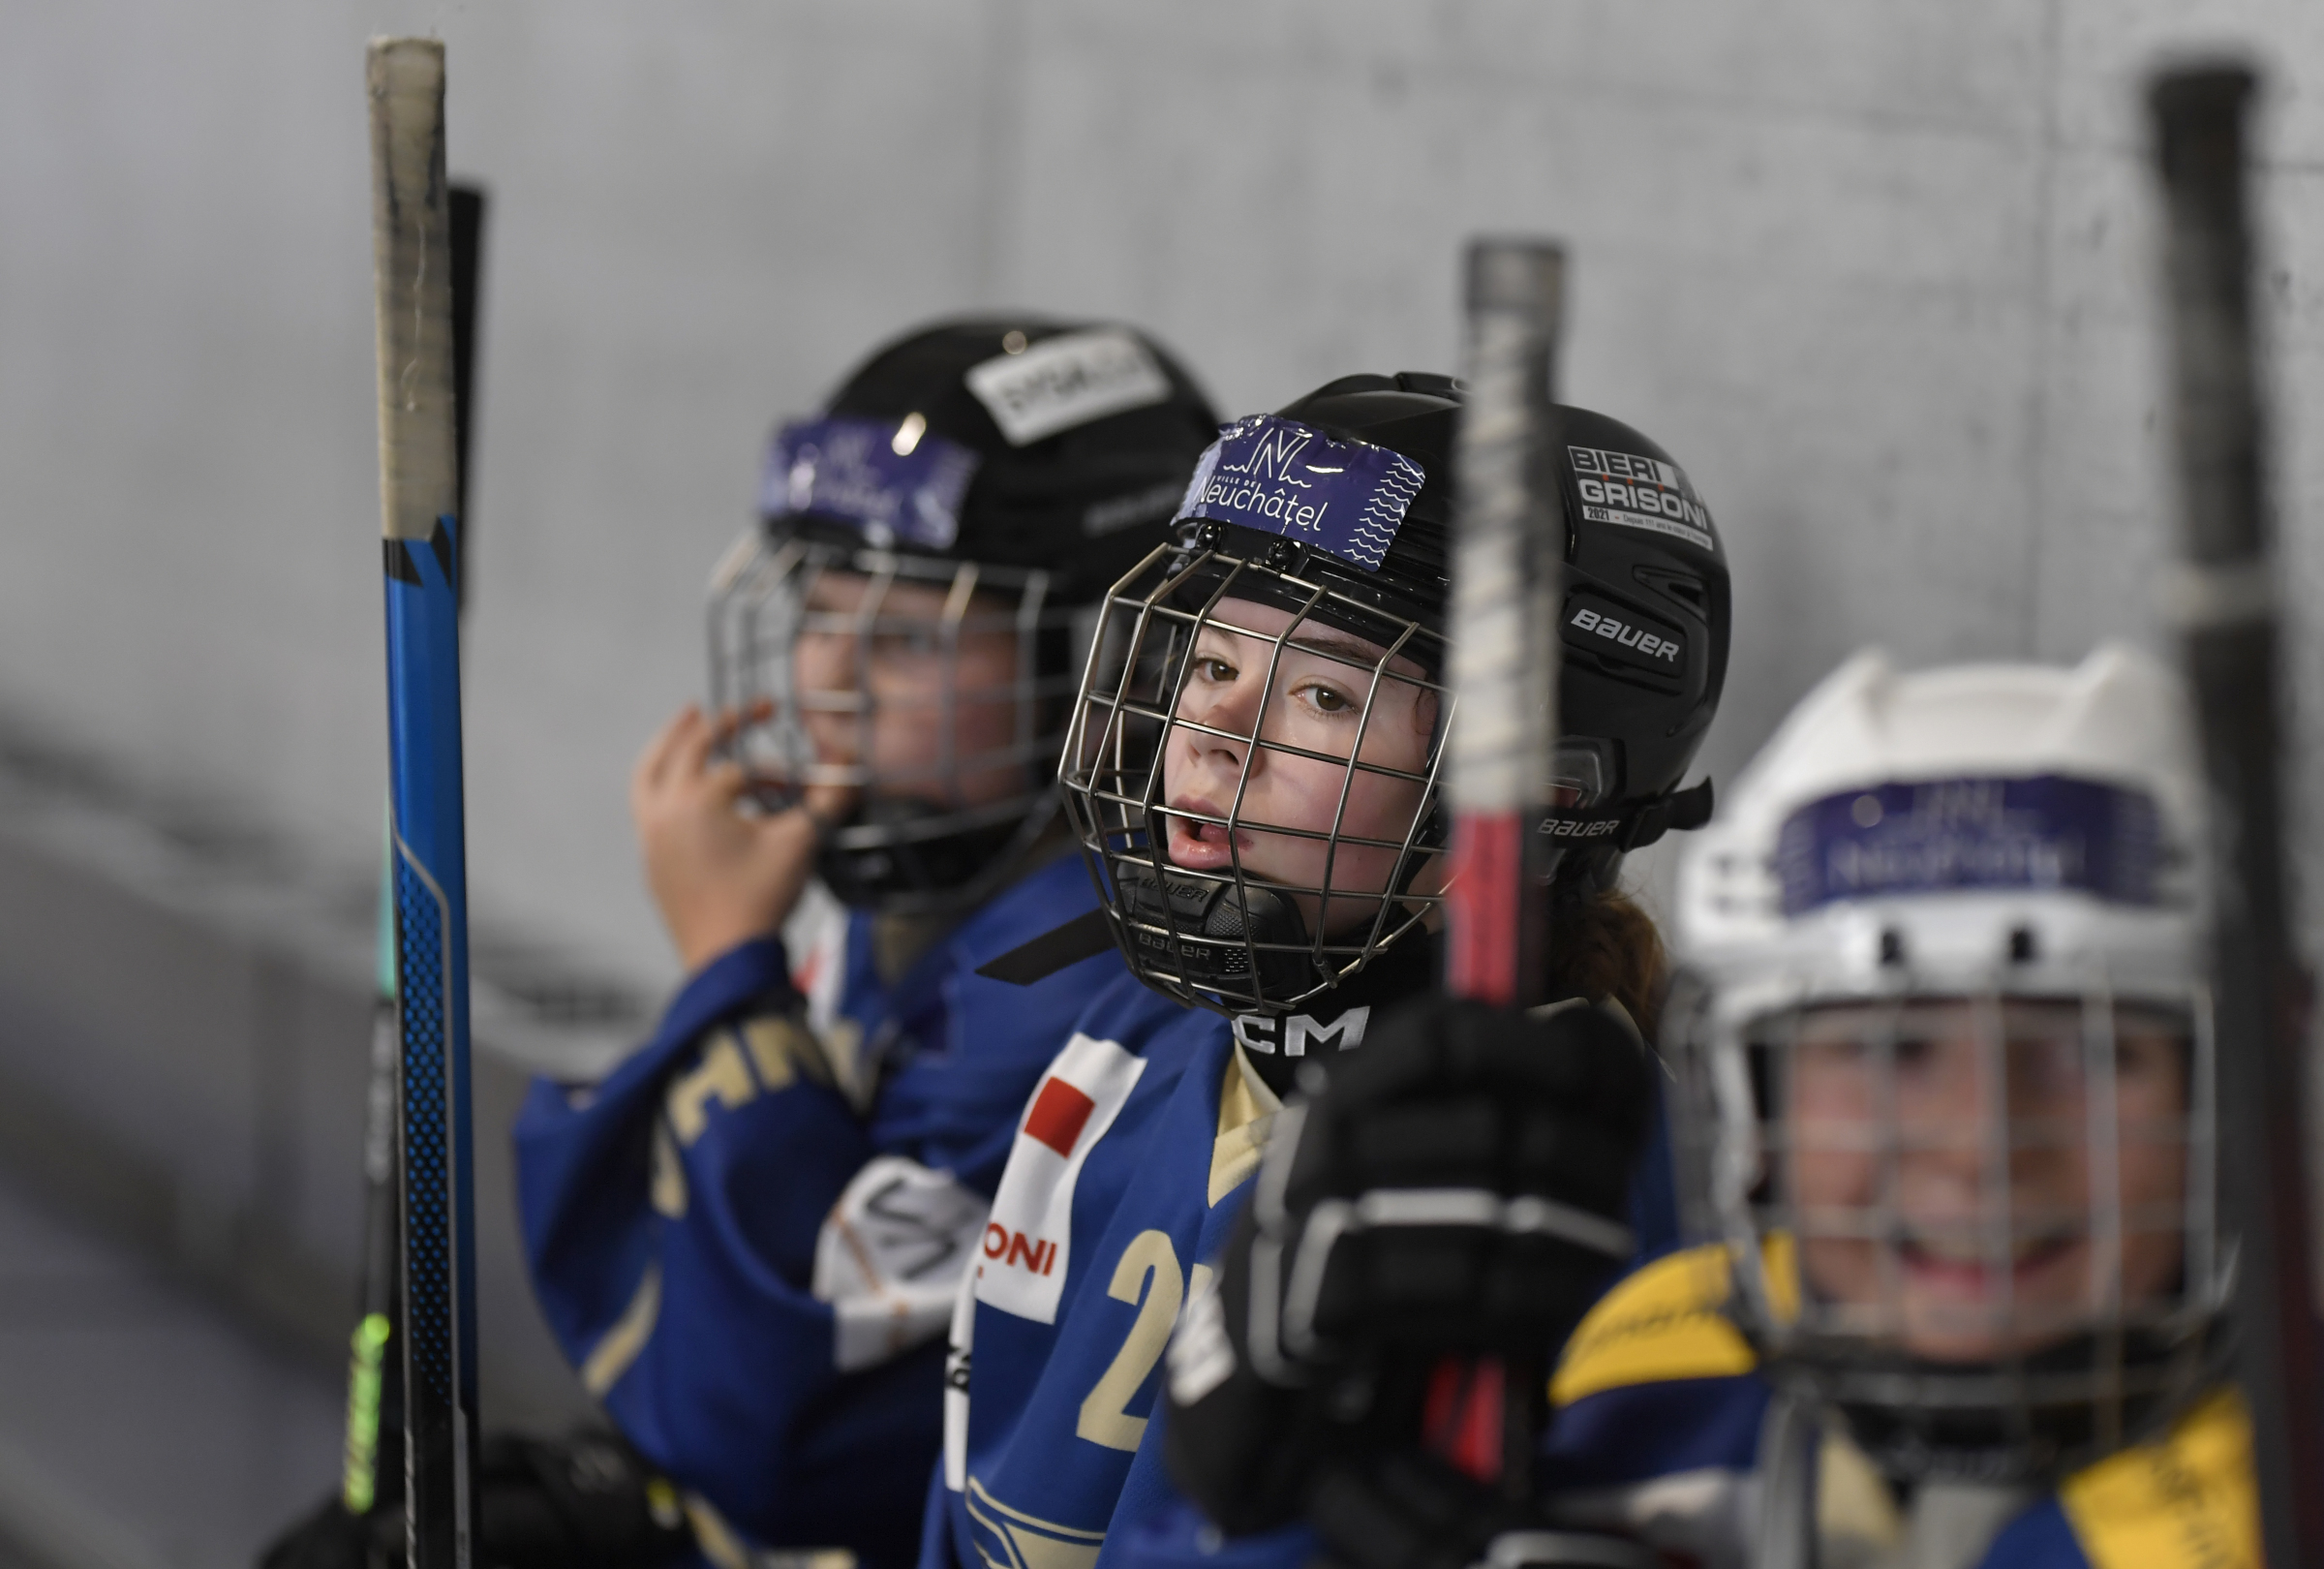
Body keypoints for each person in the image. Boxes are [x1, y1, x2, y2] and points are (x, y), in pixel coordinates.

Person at [1181, 644, 2243, 1569]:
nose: (1977, 1148)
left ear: (2227, 1095)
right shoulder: (1647, 1364)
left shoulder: (2282, 1500)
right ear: (1755, 1096)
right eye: (1892, 1053)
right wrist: (1265, 1514)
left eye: (2085, 1056)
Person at [929, 372, 1729, 1569]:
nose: (1212, 733)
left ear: (1540, 786)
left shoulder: (1569, 1196)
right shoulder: (1128, 1040)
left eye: (1321, 693)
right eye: (1210, 663)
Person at [514, 318, 1220, 1569]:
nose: (826, 680)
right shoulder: (938, 883)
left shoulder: (1095, 978)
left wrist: (730, 964)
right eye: (818, 614)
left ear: (1110, 666)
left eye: (901, 636)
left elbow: (794, 1435)